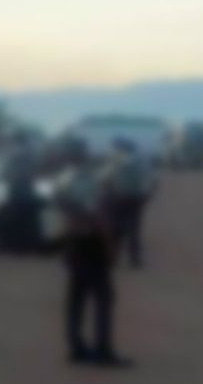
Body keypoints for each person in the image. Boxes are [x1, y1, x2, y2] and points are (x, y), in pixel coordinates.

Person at [54, 139, 129, 367]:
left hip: (72, 240)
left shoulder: (63, 178)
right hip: (91, 242)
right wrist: (110, 247)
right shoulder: (89, 180)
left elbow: (60, 211)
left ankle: (76, 346)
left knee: (76, 298)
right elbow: (98, 217)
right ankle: (102, 350)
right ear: (84, 155)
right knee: (104, 298)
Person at [104, 138, 157, 268]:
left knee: (116, 229)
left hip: (119, 197)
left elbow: (105, 177)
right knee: (134, 229)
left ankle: (112, 258)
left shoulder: (116, 160)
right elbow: (152, 179)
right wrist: (148, 195)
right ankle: (135, 259)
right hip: (137, 198)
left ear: (122, 148)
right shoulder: (143, 160)